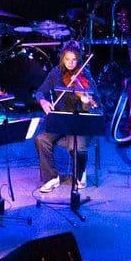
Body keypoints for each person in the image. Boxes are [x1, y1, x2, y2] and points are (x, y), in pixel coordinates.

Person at [31, 44, 96, 194]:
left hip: (79, 120)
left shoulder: (85, 74)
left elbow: (96, 101)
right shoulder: (56, 73)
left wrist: (86, 102)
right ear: (62, 58)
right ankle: (52, 177)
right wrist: (43, 101)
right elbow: (39, 92)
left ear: (79, 59)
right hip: (61, 119)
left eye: (74, 60)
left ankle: (80, 172)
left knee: (76, 147)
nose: (71, 64)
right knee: (41, 139)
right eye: (67, 59)